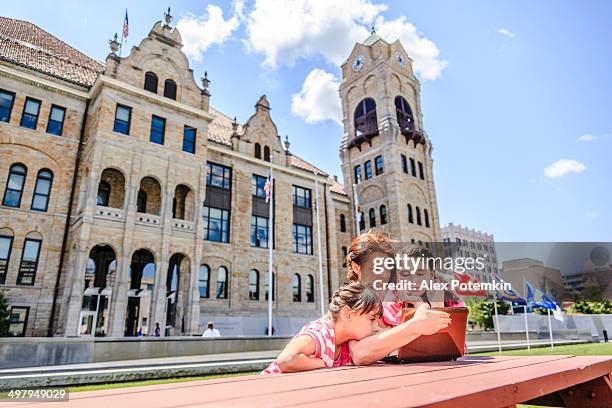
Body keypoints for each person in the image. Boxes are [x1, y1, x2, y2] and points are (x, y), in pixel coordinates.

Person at [262, 282, 382, 374]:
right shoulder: (321, 333)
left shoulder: (347, 343)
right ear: (347, 314)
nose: (376, 327)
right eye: (372, 319)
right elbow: (286, 360)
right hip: (267, 386)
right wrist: (322, 363)